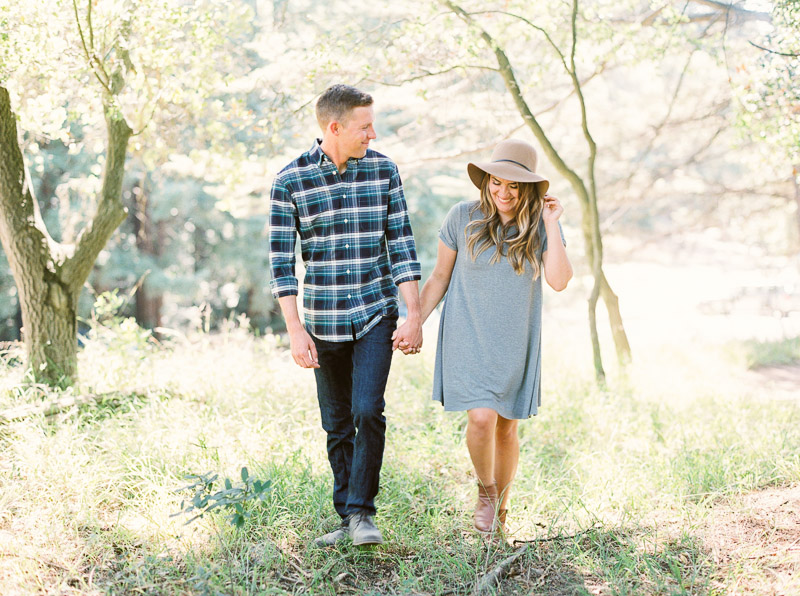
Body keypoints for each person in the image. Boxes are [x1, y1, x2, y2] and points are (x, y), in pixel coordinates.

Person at [268, 84, 422, 547]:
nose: (372, 134)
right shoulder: (289, 181)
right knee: (336, 422)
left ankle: (362, 513)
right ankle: (346, 518)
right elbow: (281, 266)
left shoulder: (384, 171)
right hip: (323, 321)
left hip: (376, 312)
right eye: (364, 126)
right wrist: (296, 332)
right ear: (334, 128)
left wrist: (413, 315)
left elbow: (402, 246)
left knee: (366, 410)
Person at [418, 138, 572, 534]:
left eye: (514, 186)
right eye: (496, 182)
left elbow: (559, 280)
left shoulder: (539, 225)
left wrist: (552, 226)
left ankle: (501, 509)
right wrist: (413, 320)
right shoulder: (461, 216)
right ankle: (486, 491)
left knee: (506, 426)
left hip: (515, 339)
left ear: (529, 189)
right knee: (482, 418)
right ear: (486, 181)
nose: (503, 192)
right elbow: (439, 277)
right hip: (466, 333)